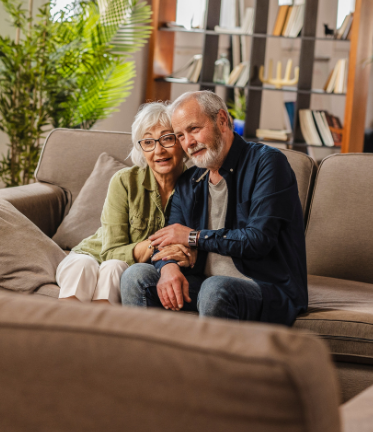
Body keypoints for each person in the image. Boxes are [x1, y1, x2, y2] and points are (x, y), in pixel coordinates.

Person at [120, 90, 307, 325]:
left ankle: (207, 363)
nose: (188, 142)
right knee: (135, 276)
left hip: (265, 287)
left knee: (215, 288)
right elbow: (166, 240)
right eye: (180, 135)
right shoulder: (190, 182)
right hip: (204, 284)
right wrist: (168, 268)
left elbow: (258, 240)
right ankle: (145, 361)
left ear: (221, 120)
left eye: (194, 129)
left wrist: (193, 238)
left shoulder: (267, 163)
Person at [57, 102, 189, 303]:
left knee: (115, 268)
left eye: (167, 139)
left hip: (125, 266)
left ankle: (101, 332)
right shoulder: (125, 181)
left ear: (181, 141)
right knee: (85, 266)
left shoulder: (196, 186)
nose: (158, 150)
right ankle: (63, 330)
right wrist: (157, 245)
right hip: (91, 255)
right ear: (141, 149)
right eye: (148, 142)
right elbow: (111, 251)